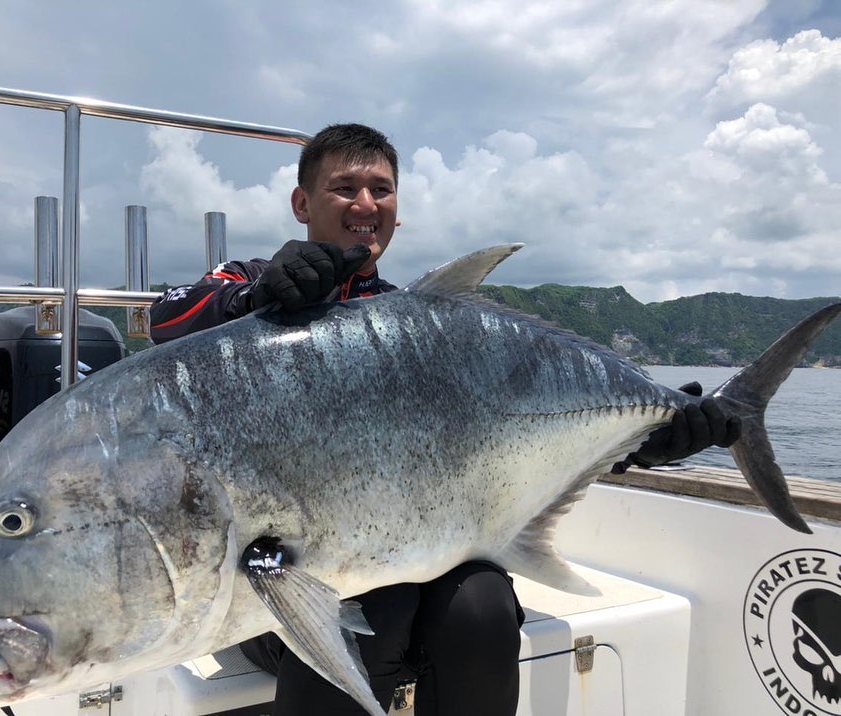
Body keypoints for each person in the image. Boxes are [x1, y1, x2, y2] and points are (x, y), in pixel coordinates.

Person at [149, 123, 740, 715]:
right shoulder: (252, 282)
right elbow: (164, 320)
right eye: (344, 187)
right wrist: (256, 303)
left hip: (406, 553)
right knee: (381, 607)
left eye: (381, 190)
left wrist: (643, 440)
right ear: (302, 203)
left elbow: (519, 425)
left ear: (397, 211)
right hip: (272, 572)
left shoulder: (427, 327)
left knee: (482, 606)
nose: (364, 204)